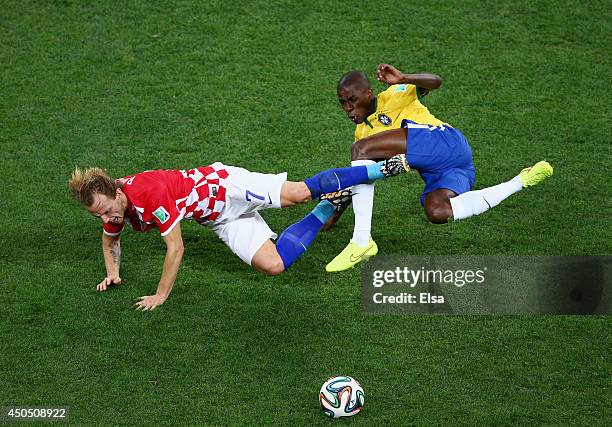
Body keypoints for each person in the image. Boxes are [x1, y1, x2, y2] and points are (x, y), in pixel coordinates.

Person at [68, 157, 407, 310]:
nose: (107, 217)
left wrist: (160, 295)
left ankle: (381, 167)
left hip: (226, 187)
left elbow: (176, 249)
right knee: (273, 265)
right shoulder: (112, 207)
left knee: (298, 194)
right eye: (99, 214)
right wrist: (112, 273)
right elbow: (110, 237)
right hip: (221, 220)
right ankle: (329, 207)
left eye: (107, 209)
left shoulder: (149, 194)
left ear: (116, 190)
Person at [325, 63, 553, 272]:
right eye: (342, 103)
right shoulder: (363, 137)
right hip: (451, 168)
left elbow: (435, 81)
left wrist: (404, 78)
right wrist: (329, 216)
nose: (347, 108)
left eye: (352, 100)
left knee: (360, 149)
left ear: (369, 94)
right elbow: (362, 178)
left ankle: (361, 241)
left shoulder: (393, 96)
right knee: (438, 212)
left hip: (446, 142)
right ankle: (520, 181)